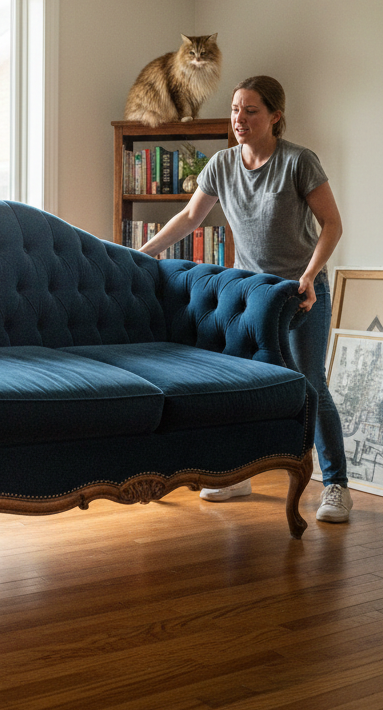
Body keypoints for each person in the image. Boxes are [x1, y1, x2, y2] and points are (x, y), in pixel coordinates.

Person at [139, 75, 352, 523]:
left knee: (310, 383)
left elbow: (332, 224)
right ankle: (238, 473)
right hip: (251, 297)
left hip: (302, 292)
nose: (239, 119)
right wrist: (143, 254)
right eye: (235, 110)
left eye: (251, 111)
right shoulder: (221, 164)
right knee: (242, 387)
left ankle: (336, 485)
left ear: (275, 116)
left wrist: (310, 274)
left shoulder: (298, 162)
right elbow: (190, 217)